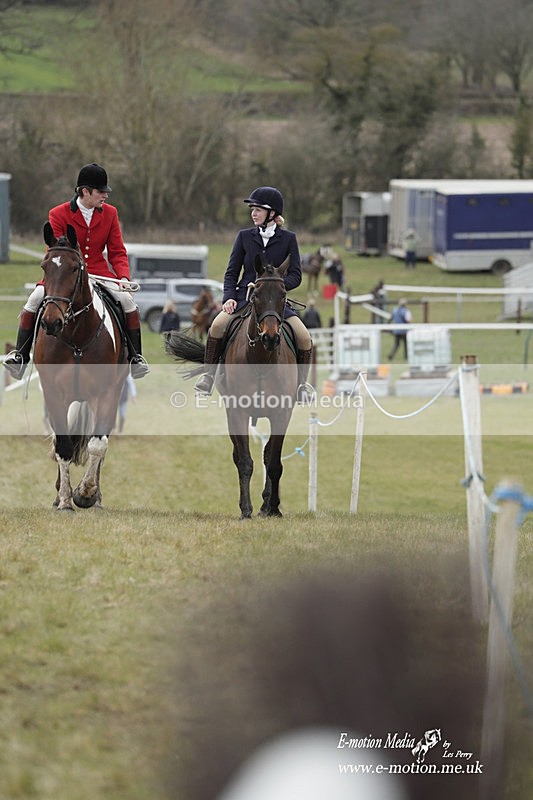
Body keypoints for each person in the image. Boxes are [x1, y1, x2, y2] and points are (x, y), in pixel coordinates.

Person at [4, 162, 149, 380]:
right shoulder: (58, 214)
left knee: (128, 303)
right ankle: (21, 356)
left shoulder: (110, 214)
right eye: (101, 192)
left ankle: (135, 358)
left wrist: (123, 278)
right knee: (33, 300)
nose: (105, 196)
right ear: (85, 191)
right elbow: (55, 253)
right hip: (63, 276)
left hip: (100, 273)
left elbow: (117, 251)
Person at [194, 186, 314, 403]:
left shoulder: (289, 239)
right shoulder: (244, 237)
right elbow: (231, 272)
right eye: (253, 209)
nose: (253, 213)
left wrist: (275, 285)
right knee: (217, 326)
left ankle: (302, 386)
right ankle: (208, 377)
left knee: (304, 336)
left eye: (258, 209)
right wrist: (229, 297)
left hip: (276, 303)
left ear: (272, 213)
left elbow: (296, 275)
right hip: (243, 299)